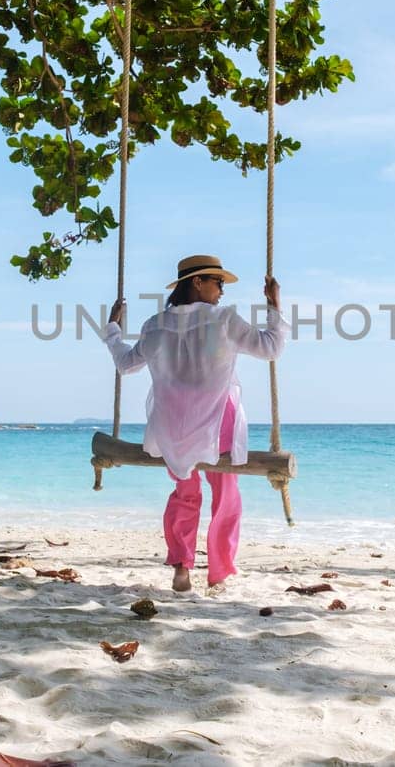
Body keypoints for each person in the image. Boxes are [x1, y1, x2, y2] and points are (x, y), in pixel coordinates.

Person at [104, 254, 287, 593]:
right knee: (226, 496)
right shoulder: (224, 321)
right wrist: (274, 307)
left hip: (171, 429)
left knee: (185, 495)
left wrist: (113, 330)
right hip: (218, 426)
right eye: (217, 282)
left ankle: (181, 568)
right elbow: (271, 348)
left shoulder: (155, 324)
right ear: (197, 282)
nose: (222, 290)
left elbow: (127, 365)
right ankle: (218, 572)